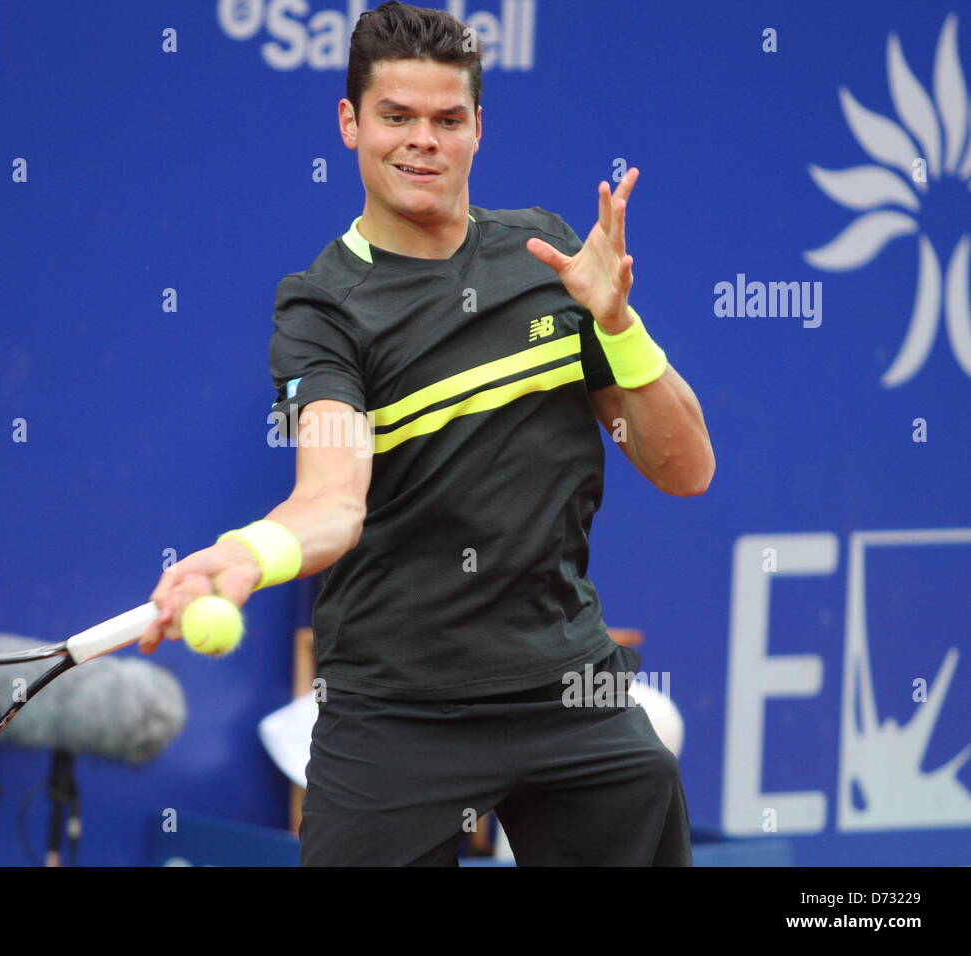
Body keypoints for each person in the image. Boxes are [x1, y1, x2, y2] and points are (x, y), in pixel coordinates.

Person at [139, 1, 714, 866]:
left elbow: (686, 470)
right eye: (396, 117)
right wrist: (247, 554)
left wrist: (620, 326)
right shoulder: (322, 306)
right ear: (349, 123)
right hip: (396, 709)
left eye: (448, 119)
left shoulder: (549, 258)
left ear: (478, 127)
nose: (423, 141)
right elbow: (332, 500)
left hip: (568, 684)